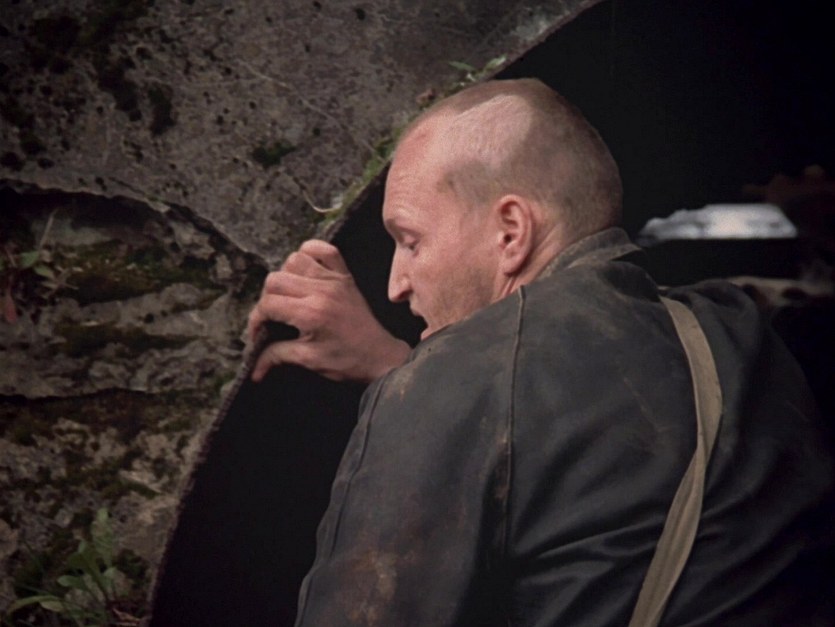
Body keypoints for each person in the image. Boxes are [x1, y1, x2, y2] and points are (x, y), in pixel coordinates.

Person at [247, 79, 835, 625]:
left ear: (511, 231)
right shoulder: (737, 330)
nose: (396, 285)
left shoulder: (452, 385)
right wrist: (404, 372)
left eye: (410, 241)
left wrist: (414, 391)